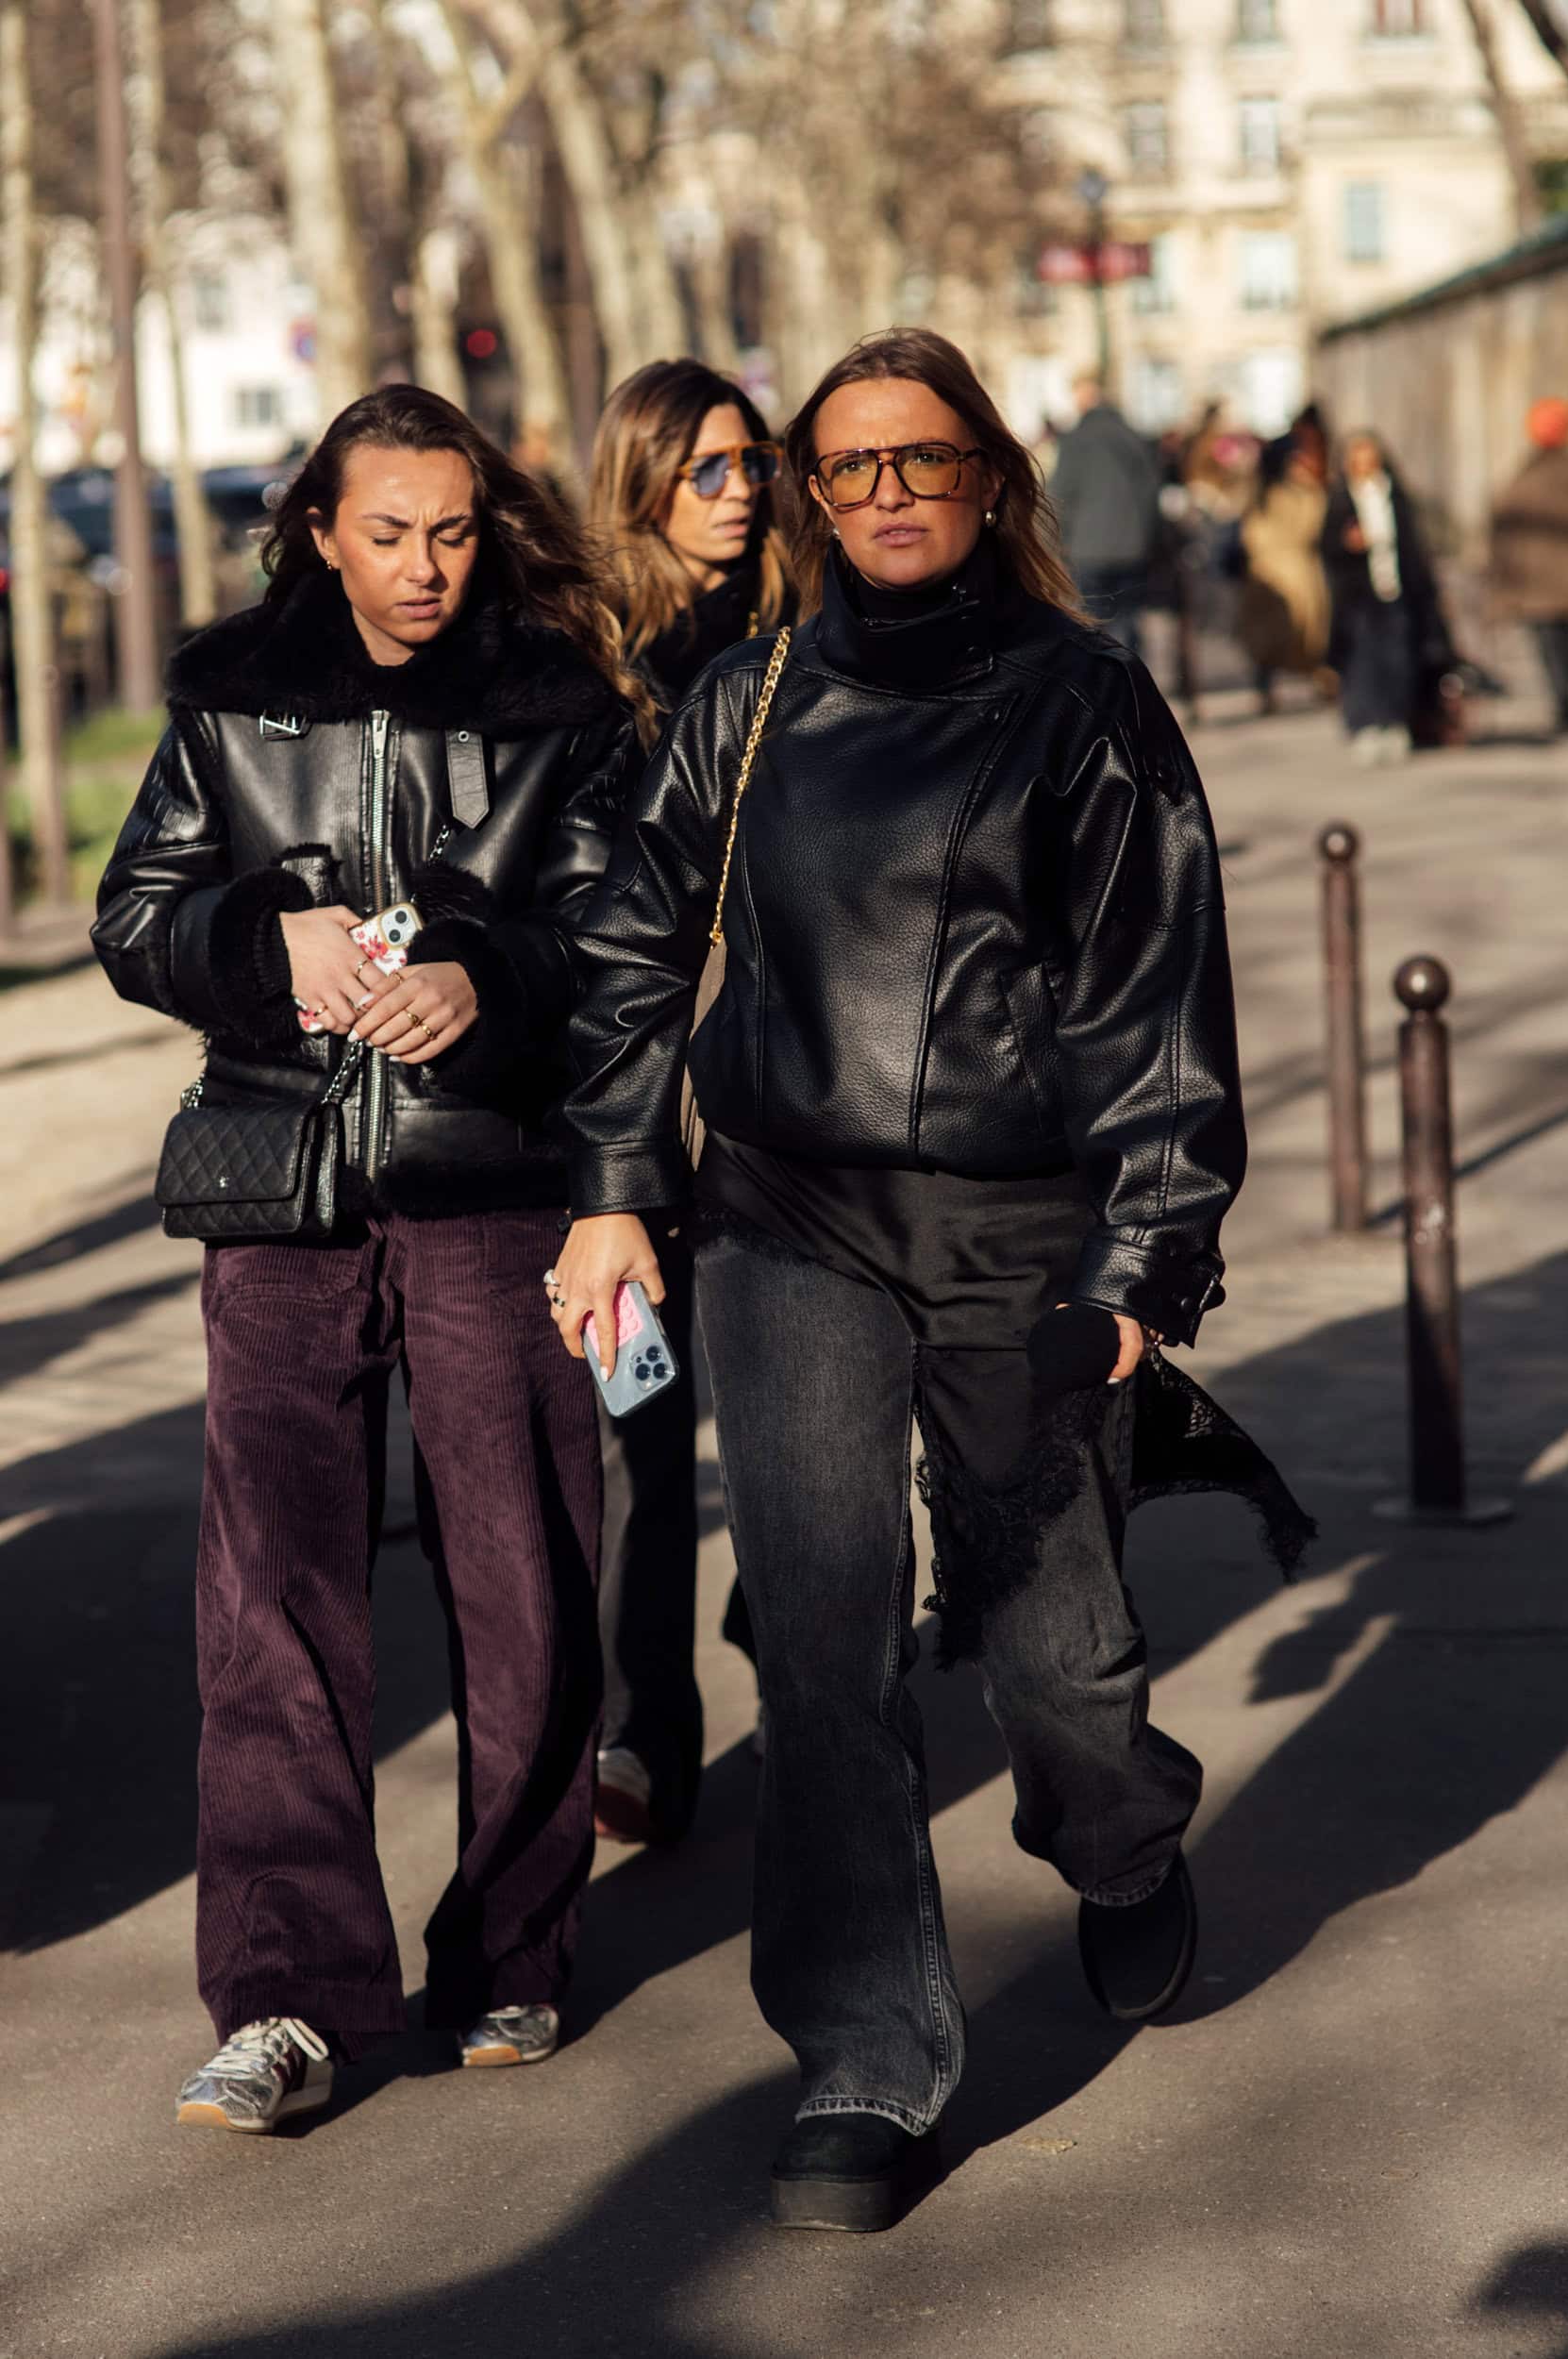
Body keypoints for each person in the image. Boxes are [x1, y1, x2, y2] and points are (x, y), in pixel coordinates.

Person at [547, 329, 1309, 2232]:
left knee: (1051, 1646)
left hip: (1015, 1226)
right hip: (786, 1216)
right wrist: (615, 1187)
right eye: (848, 464)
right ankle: (863, 2052)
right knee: (817, 1629)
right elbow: (632, 950)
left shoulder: (1083, 699)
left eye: (921, 458)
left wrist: (1141, 1259)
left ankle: (1119, 1836)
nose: (884, 491)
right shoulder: (738, 698)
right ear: (811, 492)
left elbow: (1155, 1001)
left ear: (986, 477)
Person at [92, 385, 645, 2133]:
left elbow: (612, 937)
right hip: (279, 1196)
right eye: (387, 531)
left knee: (524, 1582)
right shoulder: (229, 695)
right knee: (270, 1602)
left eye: (453, 530)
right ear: (319, 531)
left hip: (493, 1187)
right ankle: (286, 1997)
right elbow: (133, 920)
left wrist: (490, 979)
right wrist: (265, 933)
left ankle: (513, 1951)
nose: (423, 567)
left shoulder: (554, 700)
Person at [583, 360, 793, 1845]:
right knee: (637, 1424)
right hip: (632, 1084)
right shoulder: (585, 652)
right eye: (703, 468)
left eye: (749, 463)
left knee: (794, 1403)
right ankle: (641, 1730)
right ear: (641, 478)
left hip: (781, 1069)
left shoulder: (809, 627)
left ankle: (784, 1644)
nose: (736, 491)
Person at [1322, 429, 1451, 765]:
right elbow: (1325, 549)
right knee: (1363, 664)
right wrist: (1347, 544)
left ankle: (1396, 722)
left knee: (1399, 661)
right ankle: (1365, 724)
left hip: (1397, 592)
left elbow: (1416, 551)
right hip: (1357, 599)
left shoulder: (1396, 497)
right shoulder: (1339, 500)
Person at [1047, 368, 1161, 654]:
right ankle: (1136, 687)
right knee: (1130, 624)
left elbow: (1060, 495)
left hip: (1088, 549)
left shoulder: (1076, 438)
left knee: (1093, 627)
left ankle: (1102, 693)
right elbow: (1151, 492)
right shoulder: (1134, 437)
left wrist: (1053, 545)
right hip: (1133, 547)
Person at [1490, 395, 1568, 736]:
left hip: (1537, 589)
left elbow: (1500, 537)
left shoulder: (1520, 479)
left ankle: (1563, 706)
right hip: (1558, 586)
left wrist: (1503, 588)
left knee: (1552, 652)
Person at [1236, 432, 1330, 713]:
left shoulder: (1257, 492)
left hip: (1264, 573)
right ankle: (1320, 682)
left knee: (1268, 640)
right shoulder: (1297, 492)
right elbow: (1315, 524)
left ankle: (1265, 691)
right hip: (1294, 574)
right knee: (1307, 635)